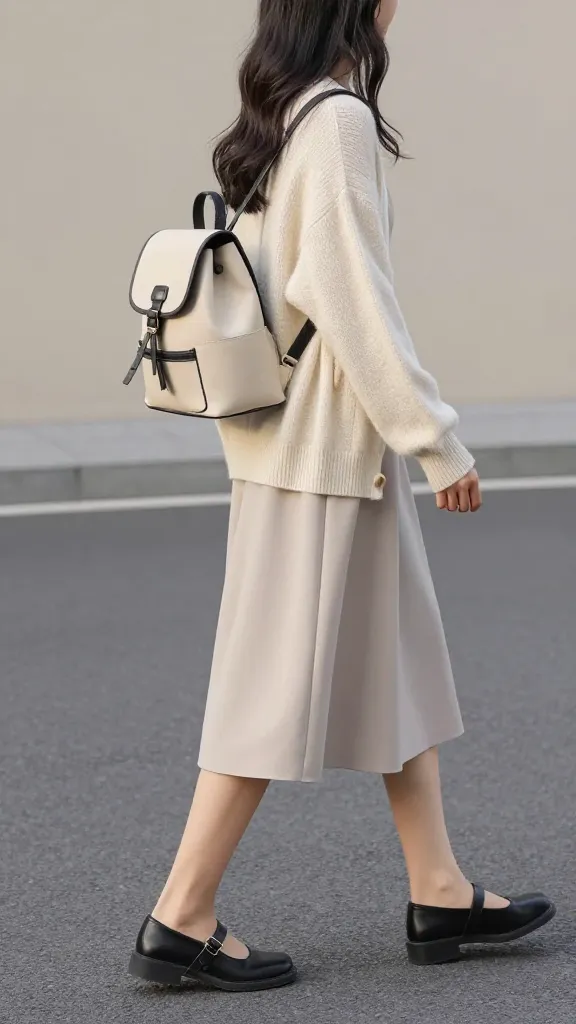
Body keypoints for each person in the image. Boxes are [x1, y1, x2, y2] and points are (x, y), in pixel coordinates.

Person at [128, 0, 554, 991]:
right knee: (270, 685)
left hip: (322, 449)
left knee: (400, 661)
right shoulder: (336, 120)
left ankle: (438, 887)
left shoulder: (283, 111)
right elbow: (354, 298)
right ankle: (181, 915)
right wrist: (435, 439)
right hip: (319, 453)